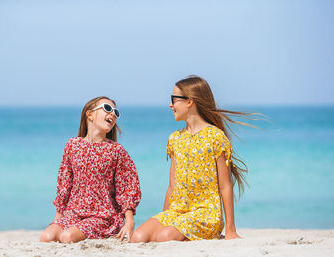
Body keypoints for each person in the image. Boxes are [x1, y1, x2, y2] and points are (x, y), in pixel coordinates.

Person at [131, 75, 250, 242]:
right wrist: (164, 217)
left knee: (165, 237)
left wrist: (230, 230)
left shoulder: (216, 137)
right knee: (138, 237)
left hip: (206, 214)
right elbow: (172, 186)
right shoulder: (174, 139)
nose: (170, 105)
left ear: (189, 101)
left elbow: (225, 186)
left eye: (174, 99)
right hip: (178, 212)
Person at [40, 96, 141, 243]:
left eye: (116, 112)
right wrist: (58, 217)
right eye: (107, 108)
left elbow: (127, 187)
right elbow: (65, 183)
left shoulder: (116, 150)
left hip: (102, 216)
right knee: (46, 237)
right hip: (73, 213)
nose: (112, 114)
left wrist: (129, 222)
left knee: (67, 237)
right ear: (90, 114)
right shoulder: (72, 145)